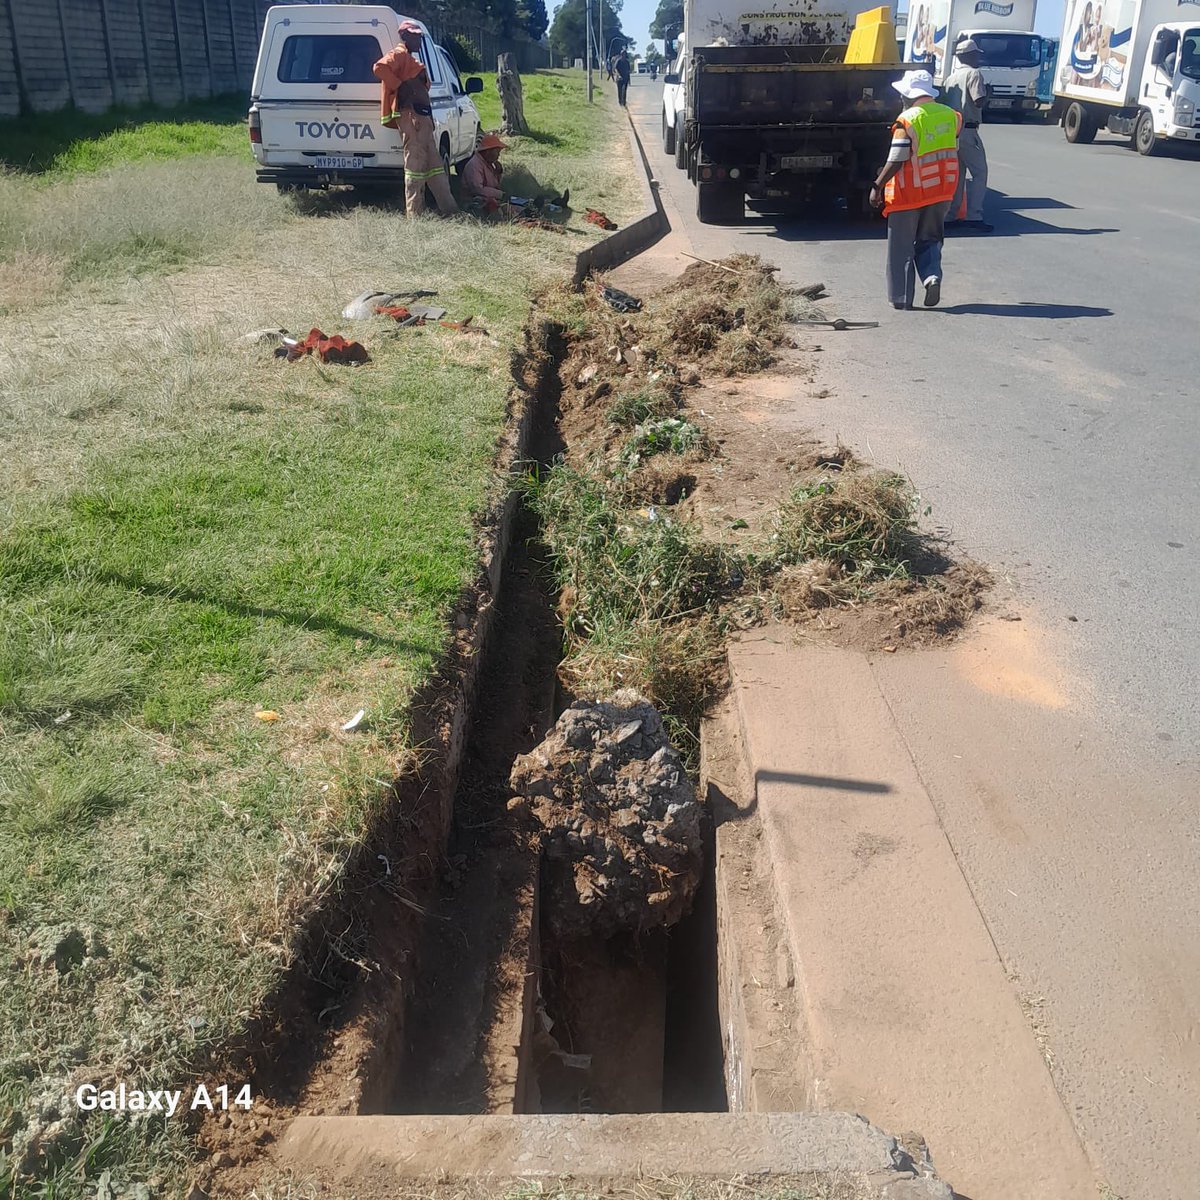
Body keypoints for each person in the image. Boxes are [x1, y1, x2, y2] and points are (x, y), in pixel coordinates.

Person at [870, 69, 961, 310]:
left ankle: (901, 298)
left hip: (909, 193)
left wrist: (877, 186)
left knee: (900, 247)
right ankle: (932, 277)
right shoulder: (951, 116)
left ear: (909, 96)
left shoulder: (908, 120)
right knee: (930, 239)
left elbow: (898, 158)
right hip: (941, 190)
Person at [373, 20, 458, 219]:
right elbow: (379, 68)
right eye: (415, 35)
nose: (419, 39)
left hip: (422, 118)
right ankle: (414, 215)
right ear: (406, 36)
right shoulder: (400, 54)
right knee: (414, 167)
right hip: (412, 119)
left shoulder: (409, 58)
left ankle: (450, 210)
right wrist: (399, 86)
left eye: (420, 35)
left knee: (435, 165)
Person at [943, 39, 992, 232]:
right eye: (976, 54)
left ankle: (950, 215)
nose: (978, 57)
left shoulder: (950, 78)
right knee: (980, 172)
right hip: (968, 129)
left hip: (951, 131)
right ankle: (974, 215)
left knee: (958, 174)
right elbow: (978, 100)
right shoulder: (974, 74)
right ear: (970, 56)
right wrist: (989, 93)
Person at [461, 132, 507, 213]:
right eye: (497, 152)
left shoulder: (488, 163)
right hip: (474, 204)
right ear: (487, 152)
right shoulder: (474, 165)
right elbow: (477, 189)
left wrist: (498, 172)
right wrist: (500, 194)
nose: (498, 155)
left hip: (489, 200)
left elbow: (495, 186)